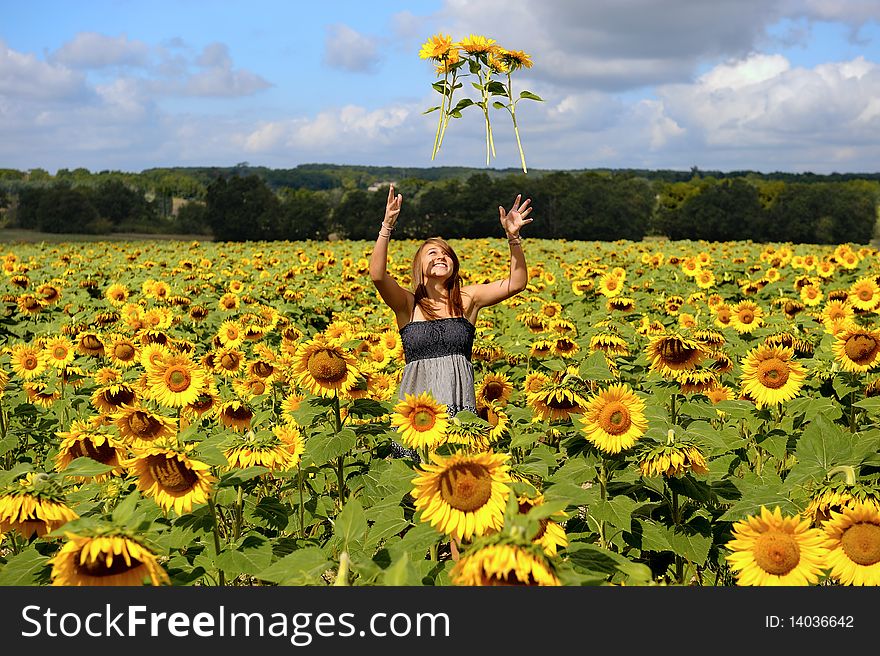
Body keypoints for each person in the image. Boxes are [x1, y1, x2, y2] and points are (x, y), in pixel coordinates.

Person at [369, 184, 533, 459]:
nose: (440, 256)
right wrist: (387, 226)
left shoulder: (468, 299)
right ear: (419, 266)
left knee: (457, 473)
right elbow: (377, 276)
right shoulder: (408, 305)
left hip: (458, 402)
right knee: (410, 478)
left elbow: (517, 283)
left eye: (445, 253)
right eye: (432, 253)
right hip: (416, 411)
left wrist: (513, 238)